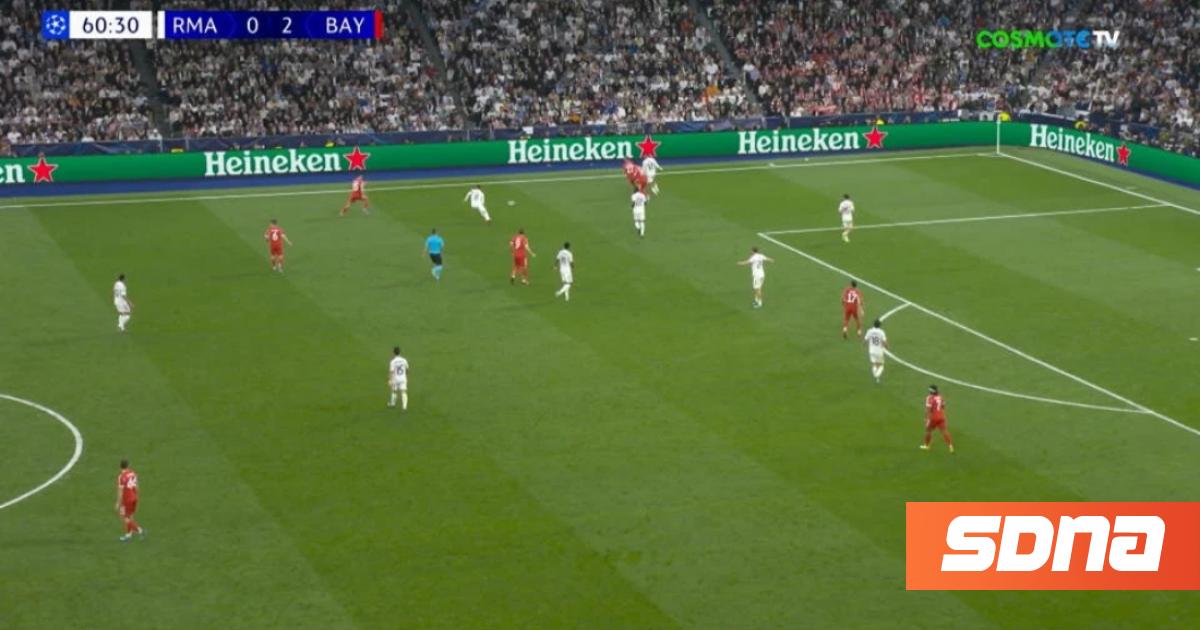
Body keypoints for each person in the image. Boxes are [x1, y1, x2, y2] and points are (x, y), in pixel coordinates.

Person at [116, 459, 144, 542]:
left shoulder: (121, 477)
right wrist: (135, 495)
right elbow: (137, 486)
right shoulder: (133, 473)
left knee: (124, 517)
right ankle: (128, 535)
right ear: (128, 465)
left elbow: (120, 491)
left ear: (120, 466)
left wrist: (118, 503)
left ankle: (139, 530)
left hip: (127, 500)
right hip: (134, 498)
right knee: (130, 516)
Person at [921, 385, 955, 453]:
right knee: (944, 431)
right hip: (941, 416)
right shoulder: (940, 397)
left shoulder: (929, 398)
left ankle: (926, 446)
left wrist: (926, 417)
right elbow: (943, 406)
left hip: (933, 417)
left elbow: (928, 409)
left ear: (930, 391)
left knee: (928, 431)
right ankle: (950, 446)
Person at [863, 319, 888, 383]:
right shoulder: (881, 332)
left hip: (871, 350)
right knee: (881, 365)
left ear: (873, 324)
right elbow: (884, 342)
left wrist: (864, 345)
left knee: (874, 364)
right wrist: (887, 347)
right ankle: (877, 376)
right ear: (880, 325)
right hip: (879, 350)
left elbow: (865, 340)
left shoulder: (869, 331)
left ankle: (875, 375)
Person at [388, 346, 409, 411]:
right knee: (403, 392)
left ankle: (392, 404)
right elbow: (407, 369)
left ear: (393, 353)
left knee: (394, 391)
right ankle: (404, 407)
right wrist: (406, 376)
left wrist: (390, 380)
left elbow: (391, 372)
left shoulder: (393, 361)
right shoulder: (404, 360)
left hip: (395, 379)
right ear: (400, 352)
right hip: (403, 378)